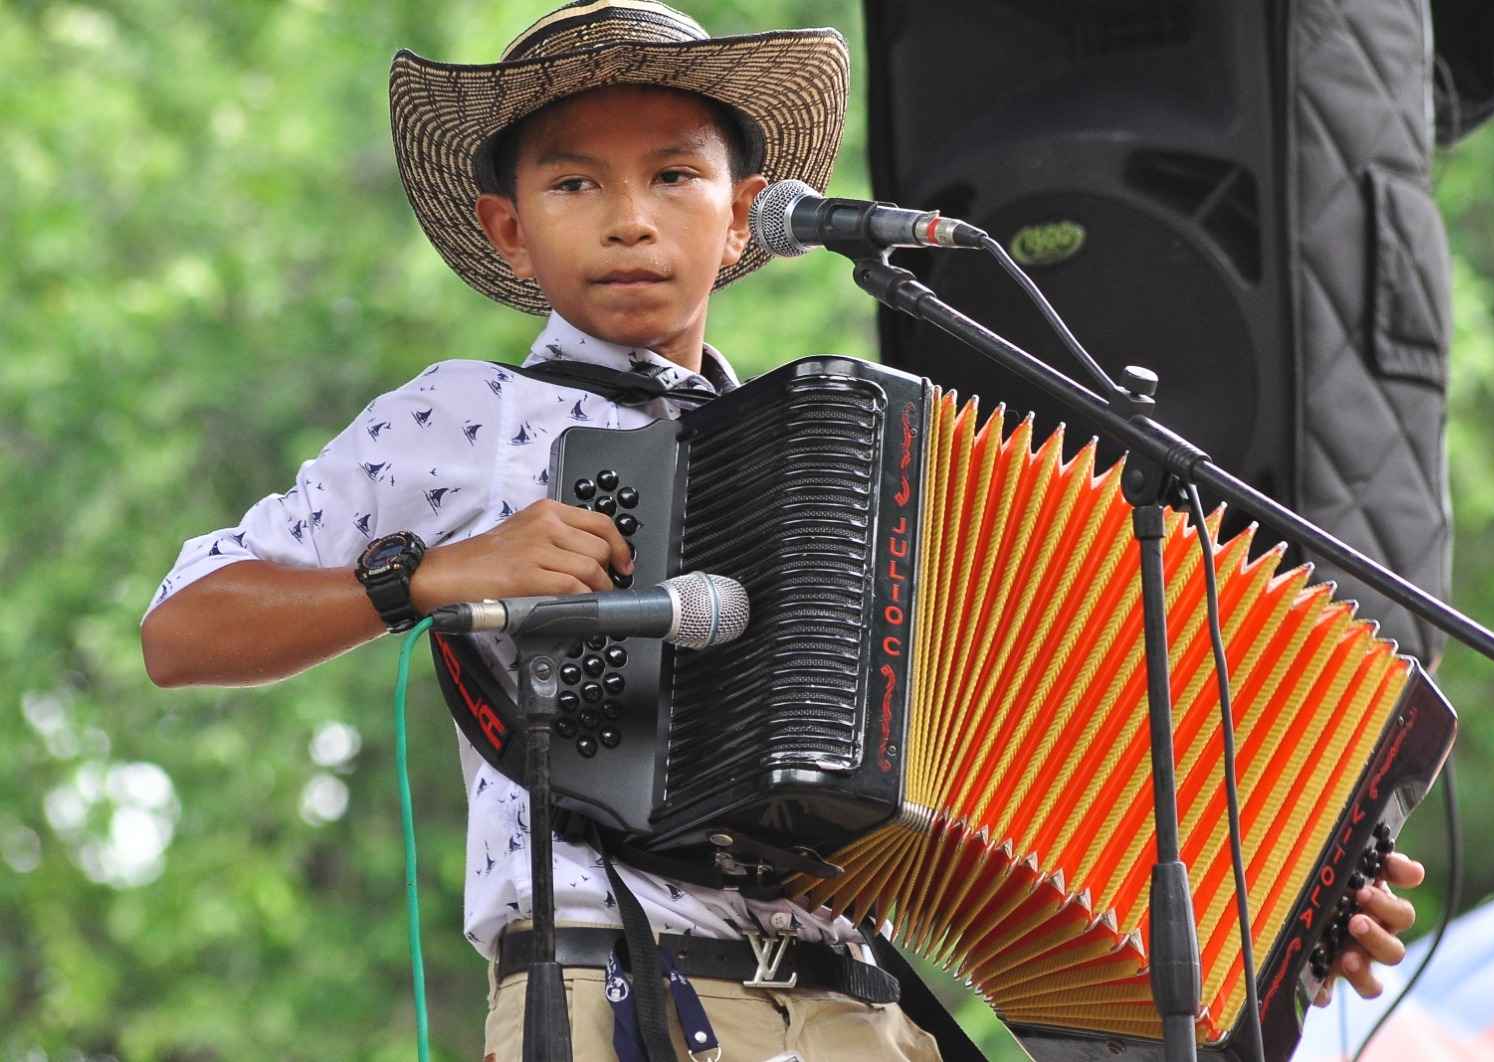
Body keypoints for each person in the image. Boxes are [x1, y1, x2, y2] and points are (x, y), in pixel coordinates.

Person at [140, 2, 1424, 1058]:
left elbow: (1032, 724)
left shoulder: (826, 463)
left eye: (675, 177)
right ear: (507, 229)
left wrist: (1287, 905)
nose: (630, 217)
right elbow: (181, 629)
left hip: (866, 1012)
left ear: (744, 212)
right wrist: (430, 577)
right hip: (615, 998)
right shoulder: (462, 416)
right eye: (575, 182)